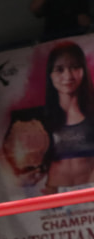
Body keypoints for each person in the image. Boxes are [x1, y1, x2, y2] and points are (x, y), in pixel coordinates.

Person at [40, 41, 94, 195]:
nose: (68, 76)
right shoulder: (41, 119)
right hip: (57, 195)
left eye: (75, 67)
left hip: (90, 192)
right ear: (50, 75)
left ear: (83, 70)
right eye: (59, 69)